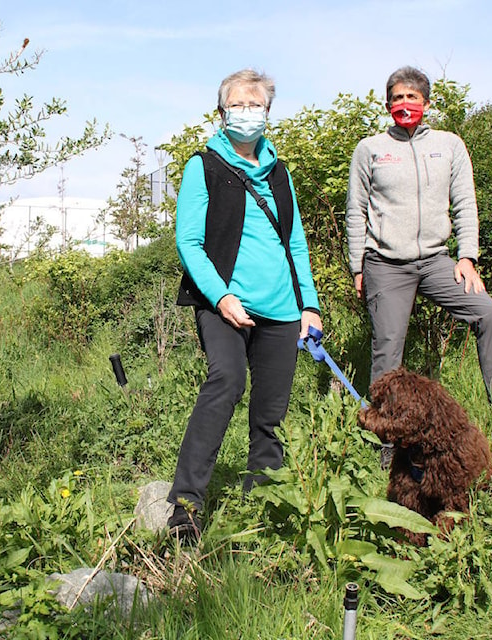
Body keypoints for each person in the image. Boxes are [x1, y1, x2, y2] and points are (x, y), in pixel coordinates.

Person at [168, 69, 322, 541]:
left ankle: (263, 512)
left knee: (270, 413)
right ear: (221, 112)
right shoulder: (205, 166)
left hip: (282, 308)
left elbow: (294, 242)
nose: (247, 113)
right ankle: (185, 508)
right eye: (238, 104)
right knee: (226, 382)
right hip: (223, 305)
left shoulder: (279, 172)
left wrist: (309, 306)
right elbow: (188, 242)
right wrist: (222, 296)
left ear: (268, 113)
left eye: (256, 105)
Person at [346, 66, 492, 404]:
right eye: (396, 98)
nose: (404, 103)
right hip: (386, 264)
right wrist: (358, 268)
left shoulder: (449, 145)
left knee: (489, 313)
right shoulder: (370, 149)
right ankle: (385, 447)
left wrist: (467, 257)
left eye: (411, 97)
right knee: (388, 352)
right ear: (388, 104)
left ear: (426, 102)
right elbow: (355, 210)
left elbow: (465, 202)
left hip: (436, 261)